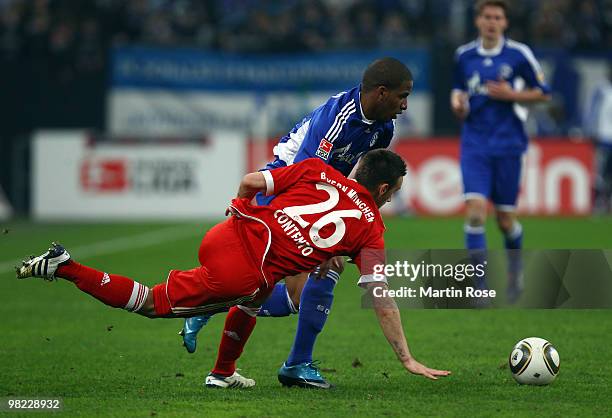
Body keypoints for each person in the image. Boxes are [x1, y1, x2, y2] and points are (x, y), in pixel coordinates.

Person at [16, 150, 450, 389]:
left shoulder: (319, 169)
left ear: (356, 169)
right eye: (394, 191)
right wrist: (407, 358)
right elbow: (380, 295)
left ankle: (222, 373)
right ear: (382, 189)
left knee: (257, 294)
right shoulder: (372, 229)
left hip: (230, 231)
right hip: (242, 270)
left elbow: (249, 181)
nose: (393, 198)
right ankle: (65, 265)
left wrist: (239, 211)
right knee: (152, 303)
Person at [181, 57, 414, 388]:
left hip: (322, 199)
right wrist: (328, 235)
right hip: (283, 187)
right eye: (402, 96)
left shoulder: (384, 129)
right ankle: (293, 361)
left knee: (295, 295)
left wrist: (348, 223)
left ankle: (215, 315)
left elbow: (357, 178)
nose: (405, 105)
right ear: (380, 92)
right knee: (305, 274)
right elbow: (306, 173)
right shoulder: (338, 118)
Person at [450, 0, 551, 302]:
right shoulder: (464, 56)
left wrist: (512, 95)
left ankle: (515, 271)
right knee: (476, 212)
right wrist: (457, 104)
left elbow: (544, 93)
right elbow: (458, 90)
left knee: (505, 220)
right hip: (475, 144)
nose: (492, 22)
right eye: (487, 17)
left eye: (497, 17)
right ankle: (479, 286)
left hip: (508, 145)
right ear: (478, 21)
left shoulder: (519, 55)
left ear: (505, 23)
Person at [584, 64, 612, 213]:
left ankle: (608, 203)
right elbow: (591, 112)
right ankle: (598, 204)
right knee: (599, 174)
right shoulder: (601, 90)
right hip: (603, 138)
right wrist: (590, 130)